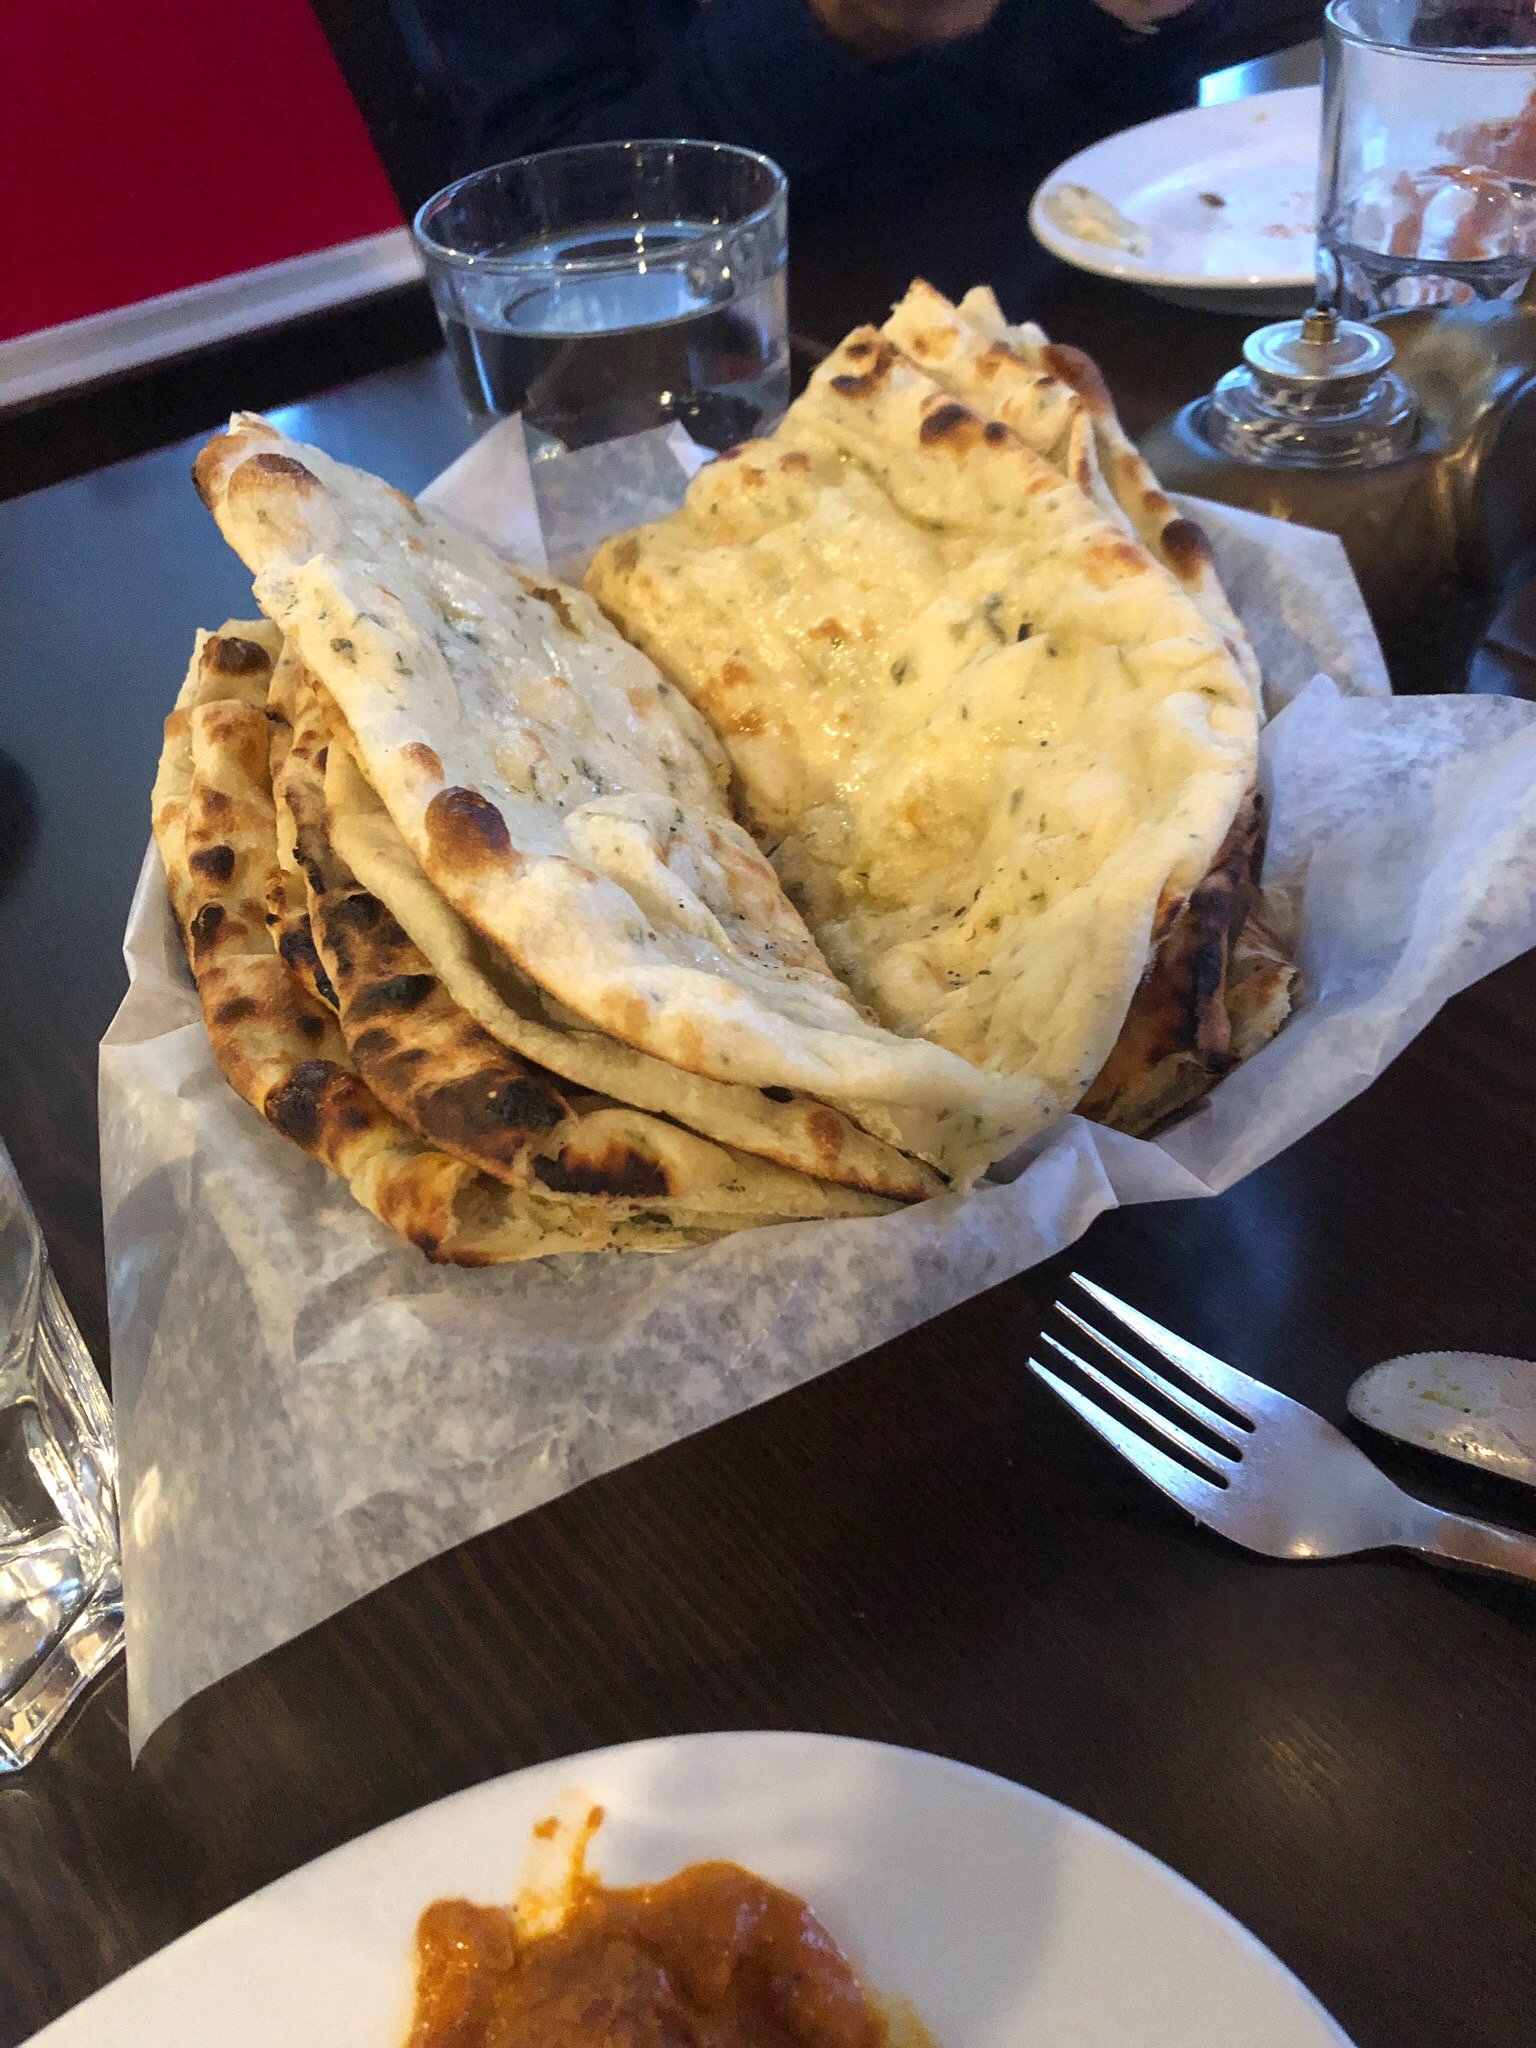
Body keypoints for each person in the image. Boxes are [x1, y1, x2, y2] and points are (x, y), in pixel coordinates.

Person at [410, 0, 1229, 210]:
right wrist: (833, 32)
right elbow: (533, 213)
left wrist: (1134, 25)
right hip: (688, 410)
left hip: (1049, 325)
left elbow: (1070, 108)